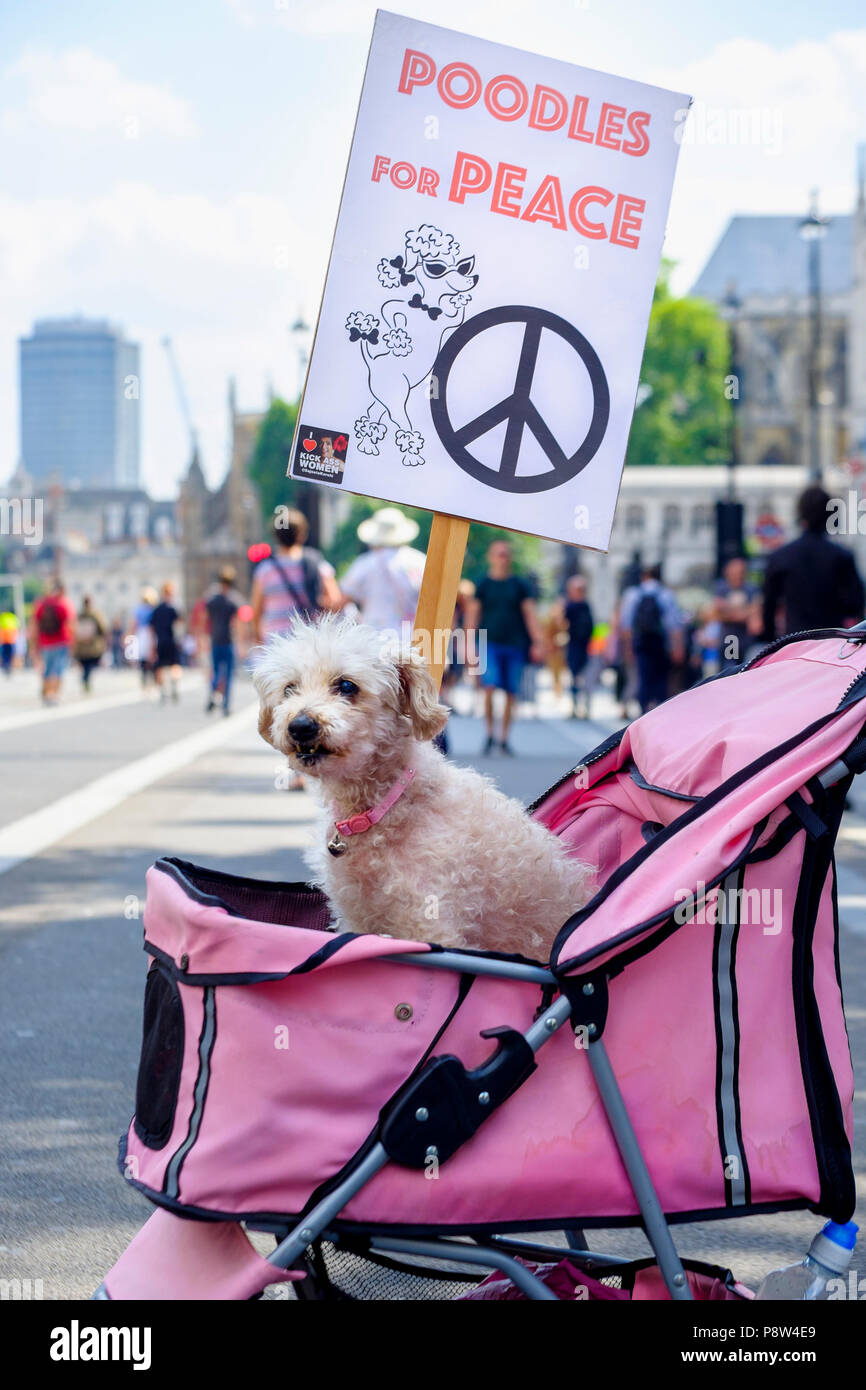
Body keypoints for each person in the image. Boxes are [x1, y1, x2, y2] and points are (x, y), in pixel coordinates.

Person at [466, 540, 546, 755]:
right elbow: (473, 616)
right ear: (491, 557)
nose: (503, 558)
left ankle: (503, 738)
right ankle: (490, 733)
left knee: (511, 692)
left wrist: (538, 642)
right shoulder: (483, 584)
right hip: (487, 643)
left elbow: (530, 615)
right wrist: (468, 644)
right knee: (489, 687)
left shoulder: (519, 586)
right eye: (499, 554)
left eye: (506, 554)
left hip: (515, 644)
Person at [762, 485, 865, 639]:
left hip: (794, 644)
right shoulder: (841, 556)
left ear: (800, 513)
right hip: (831, 645)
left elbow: (768, 608)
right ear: (829, 515)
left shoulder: (780, 557)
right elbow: (856, 603)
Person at [252, 510, 341, 644]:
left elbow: (257, 610)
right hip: (308, 641)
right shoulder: (317, 564)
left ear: (275, 536)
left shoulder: (264, 571)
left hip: (276, 643)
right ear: (302, 534)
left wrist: (259, 638)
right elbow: (335, 601)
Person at [338, 507, 426, 634]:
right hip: (413, 635)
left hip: (375, 636)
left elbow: (342, 599)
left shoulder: (365, 563)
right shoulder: (420, 561)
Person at [620, 563, 683, 715]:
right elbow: (674, 624)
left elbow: (626, 624)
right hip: (660, 644)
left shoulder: (633, 594)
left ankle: (643, 712)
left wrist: (628, 647)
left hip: (641, 643)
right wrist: (677, 647)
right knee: (660, 679)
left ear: (643, 577)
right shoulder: (665, 594)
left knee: (643, 678)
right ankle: (659, 712)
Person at [31, 577, 76, 706]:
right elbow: (70, 624)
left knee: (46, 669)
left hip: (45, 643)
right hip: (61, 641)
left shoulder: (41, 604)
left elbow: (35, 625)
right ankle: (53, 695)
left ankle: (46, 694)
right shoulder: (61, 604)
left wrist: (34, 643)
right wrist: (73, 642)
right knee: (58, 669)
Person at [714, 556, 760, 669]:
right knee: (730, 672)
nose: (740, 575)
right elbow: (717, 613)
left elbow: (756, 617)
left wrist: (729, 610)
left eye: (742, 571)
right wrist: (745, 612)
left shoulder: (751, 589)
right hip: (730, 640)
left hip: (747, 641)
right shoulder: (721, 588)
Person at [205, 567, 240, 716]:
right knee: (229, 674)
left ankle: (213, 692)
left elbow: (205, 619)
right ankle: (226, 705)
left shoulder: (212, 601)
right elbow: (237, 623)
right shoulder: (232, 601)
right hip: (228, 640)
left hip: (215, 639)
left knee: (216, 670)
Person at [561, 575, 594, 719]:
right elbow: (562, 626)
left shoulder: (586, 605)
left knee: (587, 679)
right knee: (574, 677)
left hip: (586, 647)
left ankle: (585, 707)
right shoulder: (569, 607)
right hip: (574, 647)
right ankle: (575, 707)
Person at [149, 582, 182, 703]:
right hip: (171, 641)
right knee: (175, 666)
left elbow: (151, 628)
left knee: (161, 667)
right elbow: (178, 624)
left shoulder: (156, 609)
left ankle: (163, 691)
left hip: (160, 641)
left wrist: (152, 643)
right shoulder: (172, 608)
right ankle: (174, 687)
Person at [73, 594, 108, 693]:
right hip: (92, 646)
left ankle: (85, 678)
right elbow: (103, 628)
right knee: (90, 664)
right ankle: (86, 679)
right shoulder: (95, 615)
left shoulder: (79, 615)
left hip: (81, 646)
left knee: (85, 665)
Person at [130, 587, 158, 686]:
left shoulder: (139, 609)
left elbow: (134, 624)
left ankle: (144, 677)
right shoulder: (152, 609)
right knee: (150, 655)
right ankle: (152, 677)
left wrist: (131, 634)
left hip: (142, 633)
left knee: (143, 657)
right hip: (149, 632)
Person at [0, 610, 19, 677]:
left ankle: (7, 667)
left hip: (5, 640)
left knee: (5, 655)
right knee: (10, 654)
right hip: (11, 640)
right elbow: (16, 628)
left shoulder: (2, 617)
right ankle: (8, 667)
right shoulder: (13, 617)